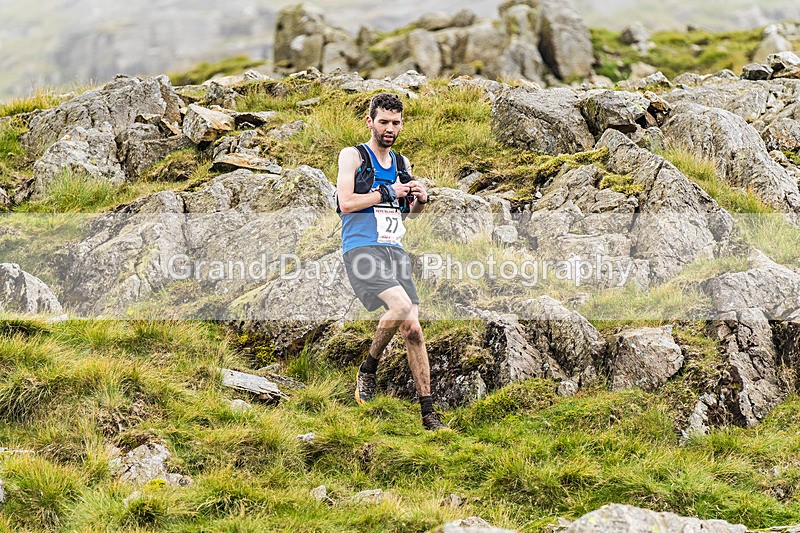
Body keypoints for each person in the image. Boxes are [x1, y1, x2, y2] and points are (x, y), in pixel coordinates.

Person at [336, 92, 448, 431]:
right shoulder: (353, 156)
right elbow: (345, 203)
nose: (389, 129)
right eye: (383, 121)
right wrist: (387, 192)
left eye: (395, 123)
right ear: (369, 121)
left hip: (394, 251)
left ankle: (429, 415)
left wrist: (420, 201)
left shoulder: (401, 163)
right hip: (361, 248)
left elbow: (407, 215)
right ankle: (368, 370)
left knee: (413, 330)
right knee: (399, 307)